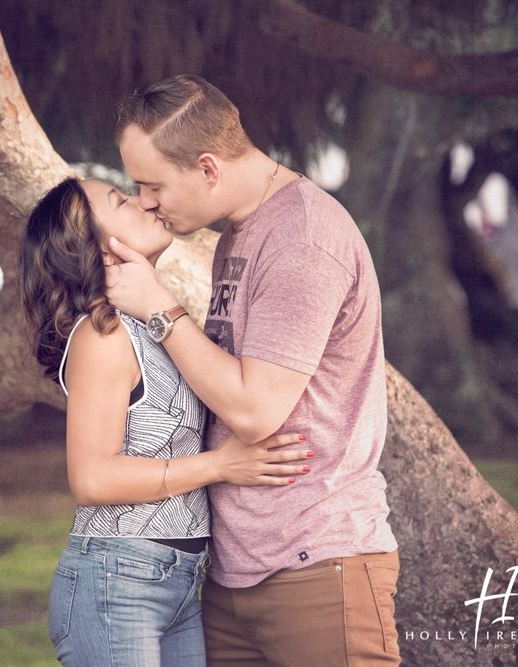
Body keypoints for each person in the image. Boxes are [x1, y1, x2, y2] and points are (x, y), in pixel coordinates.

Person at [104, 74, 400, 665]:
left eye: (152, 184)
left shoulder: (302, 240)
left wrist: (160, 307)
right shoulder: (244, 232)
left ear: (208, 168)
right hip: (236, 571)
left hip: (315, 562)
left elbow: (255, 410)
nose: (144, 202)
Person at [18, 176, 314, 666]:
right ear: (97, 248)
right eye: (120, 200)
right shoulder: (102, 335)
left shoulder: (148, 325)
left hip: (176, 579)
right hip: (117, 579)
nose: (141, 201)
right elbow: (92, 478)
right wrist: (221, 466)